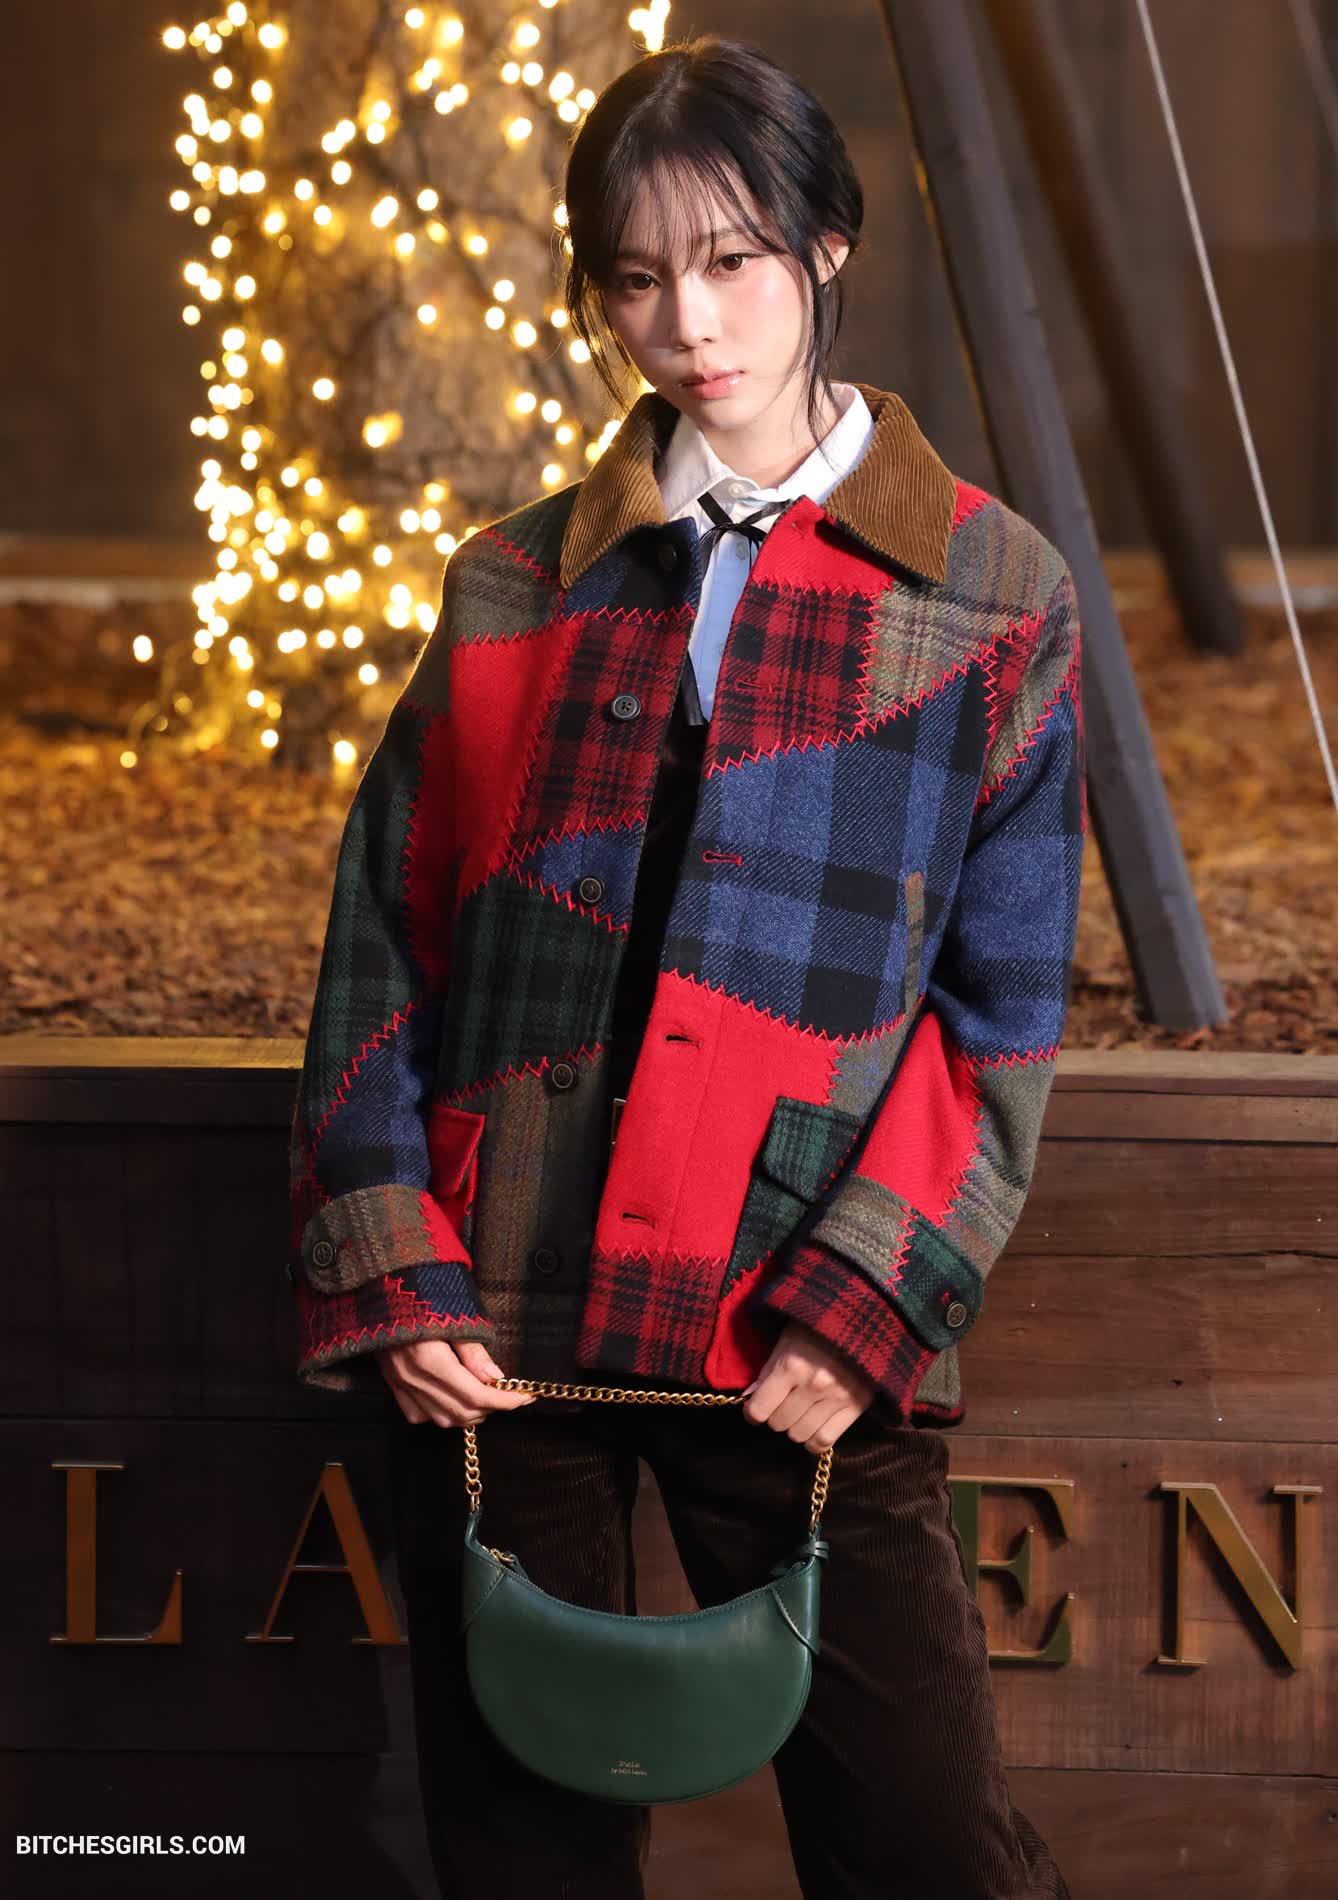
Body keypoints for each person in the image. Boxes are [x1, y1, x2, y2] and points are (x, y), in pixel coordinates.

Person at [287, 33, 1084, 1900]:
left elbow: (999, 1016)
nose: (688, 323)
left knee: (923, 1845)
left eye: (730, 261)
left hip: (788, 1326)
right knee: (523, 1857)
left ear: (824, 246)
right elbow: (383, 943)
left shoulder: (991, 596)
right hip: (502, 1332)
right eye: (636, 279)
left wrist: (864, 1300)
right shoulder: (513, 581)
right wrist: (394, 1261)